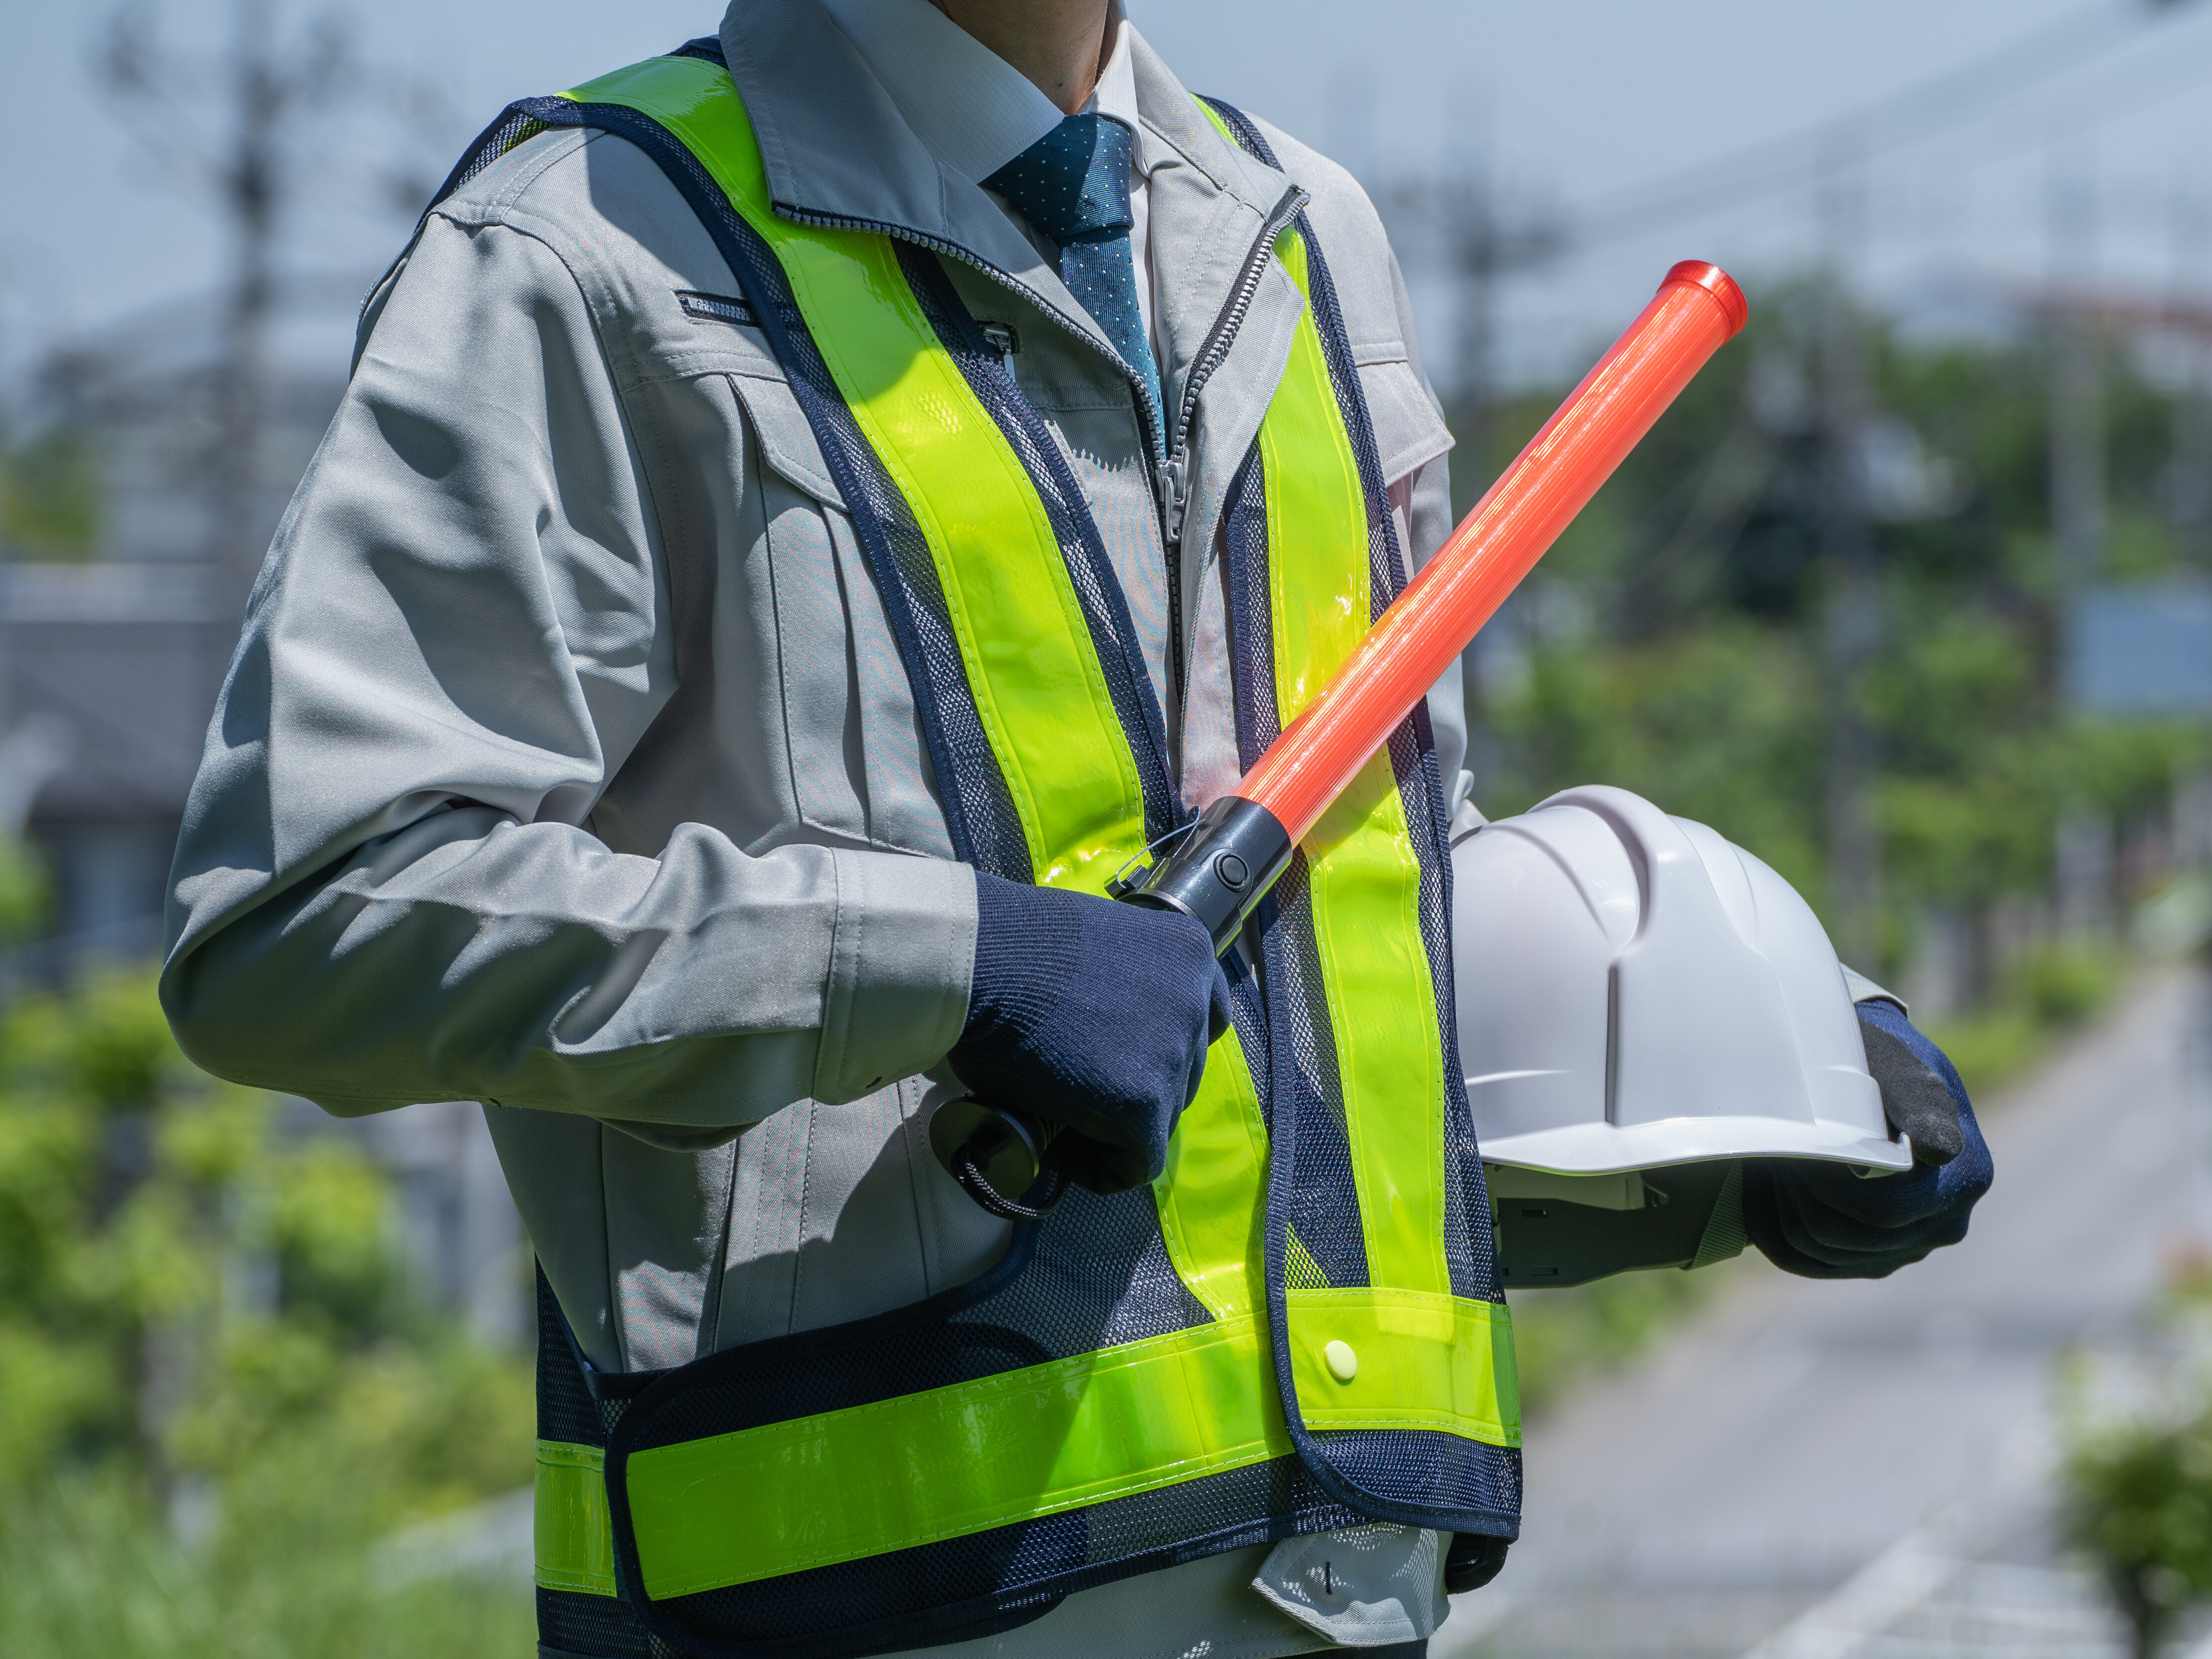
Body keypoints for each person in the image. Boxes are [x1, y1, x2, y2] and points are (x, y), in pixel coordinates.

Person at [159, 2, 1992, 1656]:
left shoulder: (1302, 234)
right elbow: (309, 912)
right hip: (867, 1615)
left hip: (1340, 1600)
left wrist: (1751, 1076)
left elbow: (1354, 922)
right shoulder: (587, 254)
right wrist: (947, 966)